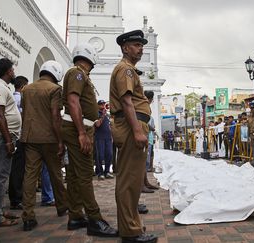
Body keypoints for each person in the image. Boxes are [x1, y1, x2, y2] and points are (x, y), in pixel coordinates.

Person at [61, 43, 118, 236]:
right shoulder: (77, 73)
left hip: (80, 126)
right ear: (91, 57)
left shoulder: (78, 74)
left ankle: (76, 216)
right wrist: (82, 133)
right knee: (85, 174)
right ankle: (95, 220)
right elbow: (73, 101)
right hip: (78, 127)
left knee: (76, 175)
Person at [110, 29, 157, 243]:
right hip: (132, 127)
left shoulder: (129, 69)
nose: (140, 49)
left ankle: (131, 225)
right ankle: (130, 232)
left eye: (141, 45)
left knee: (132, 179)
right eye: (136, 45)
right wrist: (138, 131)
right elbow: (127, 101)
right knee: (129, 180)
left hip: (134, 126)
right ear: (125, 47)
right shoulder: (126, 70)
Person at [20, 60, 69, 231]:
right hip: (49, 138)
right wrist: (60, 140)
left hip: (30, 137)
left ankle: (28, 216)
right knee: (56, 174)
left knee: (30, 176)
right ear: (56, 73)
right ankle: (62, 207)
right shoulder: (55, 89)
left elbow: (25, 112)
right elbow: (56, 116)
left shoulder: (26, 89)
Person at [0, 58, 21, 227]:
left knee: (1, 177)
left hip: (3, 138)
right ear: (8, 71)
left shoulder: (2, 87)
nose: (14, 72)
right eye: (12, 70)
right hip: (1, 138)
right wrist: (8, 141)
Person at [9, 76, 29, 210]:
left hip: (14, 135)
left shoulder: (11, 97)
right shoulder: (20, 99)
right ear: (23, 87)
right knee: (18, 168)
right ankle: (16, 198)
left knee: (16, 168)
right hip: (19, 136)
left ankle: (16, 197)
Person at [94, 100, 114, 180]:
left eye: (104, 104)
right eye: (101, 104)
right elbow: (97, 124)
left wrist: (112, 136)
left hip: (108, 138)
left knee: (109, 155)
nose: (103, 106)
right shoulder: (96, 114)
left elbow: (109, 126)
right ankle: (100, 173)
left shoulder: (107, 115)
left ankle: (107, 171)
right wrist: (103, 115)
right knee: (100, 156)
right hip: (99, 138)